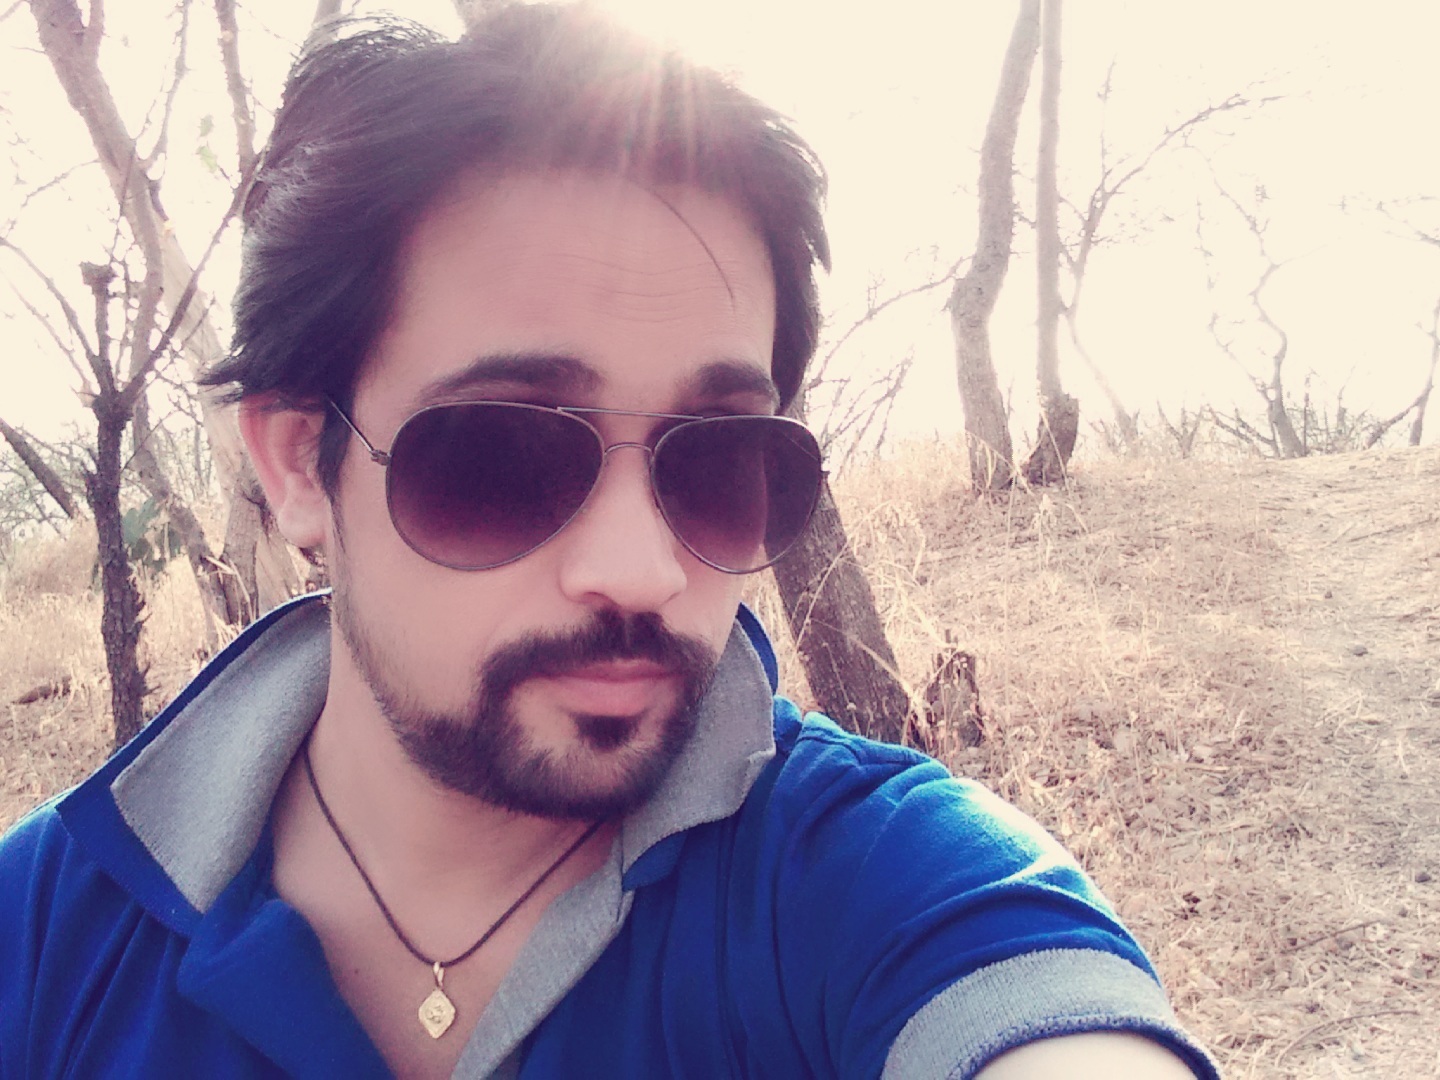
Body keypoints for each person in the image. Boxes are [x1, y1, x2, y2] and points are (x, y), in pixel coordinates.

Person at [0, 6, 1217, 1078]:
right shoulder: (40, 940)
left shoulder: (874, 878)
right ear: (295, 464)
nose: (642, 571)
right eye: (502, 458)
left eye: (717, 460)